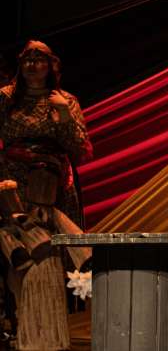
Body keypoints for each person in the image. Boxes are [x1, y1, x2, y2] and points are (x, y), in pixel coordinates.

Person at [0, 40, 92, 350]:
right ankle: (19, 324)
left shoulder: (65, 100)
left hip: (53, 188)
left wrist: (64, 115)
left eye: (39, 59)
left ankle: (53, 327)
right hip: (13, 185)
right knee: (20, 255)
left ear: (51, 65)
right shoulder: (6, 98)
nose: (32, 64)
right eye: (27, 58)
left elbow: (81, 150)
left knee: (55, 256)